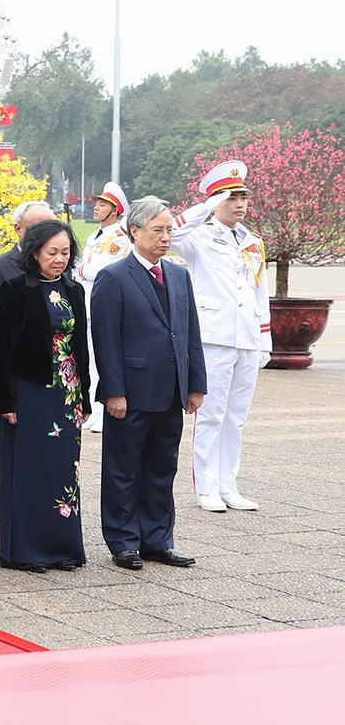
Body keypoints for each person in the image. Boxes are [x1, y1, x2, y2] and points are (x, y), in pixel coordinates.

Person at [91, 198, 206, 571]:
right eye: (157, 230)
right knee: (123, 470)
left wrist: (194, 385)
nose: (165, 237)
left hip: (170, 390)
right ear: (134, 231)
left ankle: (157, 539)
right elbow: (105, 340)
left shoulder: (177, 275)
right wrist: (114, 391)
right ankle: (123, 540)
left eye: (169, 229)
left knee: (161, 468)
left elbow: (190, 334)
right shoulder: (114, 277)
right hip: (132, 392)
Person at [169, 162, 271, 512]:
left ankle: (229, 484)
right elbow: (174, 233)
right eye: (231, 198)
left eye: (243, 197)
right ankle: (207, 486)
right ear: (215, 202)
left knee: (236, 416)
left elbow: (260, 291)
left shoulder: (253, 242)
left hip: (246, 336)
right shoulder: (200, 236)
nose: (240, 204)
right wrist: (206, 207)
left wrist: (265, 340)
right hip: (213, 336)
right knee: (210, 414)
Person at [0, 219, 91, 573]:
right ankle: (25, 549)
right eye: (52, 252)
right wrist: (6, 400)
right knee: (30, 467)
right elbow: (1, 349)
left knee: (64, 469)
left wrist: (85, 396)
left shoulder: (74, 290)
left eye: (65, 252)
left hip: (66, 392)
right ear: (34, 253)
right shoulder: (16, 289)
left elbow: (81, 347)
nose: (59, 259)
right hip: (30, 392)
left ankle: (61, 545)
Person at [0, 200, 56, 515]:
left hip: (51, 379)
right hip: (12, 378)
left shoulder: (57, 268)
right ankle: (8, 514)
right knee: (12, 450)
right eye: (35, 228)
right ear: (18, 230)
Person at [75, 182, 131, 435]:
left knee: (99, 361)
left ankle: (100, 413)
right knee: (87, 361)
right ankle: (90, 410)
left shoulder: (118, 239)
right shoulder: (94, 236)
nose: (96, 207)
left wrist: (81, 270)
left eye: (103, 204)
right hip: (85, 302)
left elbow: (98, 270)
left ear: (115, 210)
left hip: (101, 304)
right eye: (97, 203)